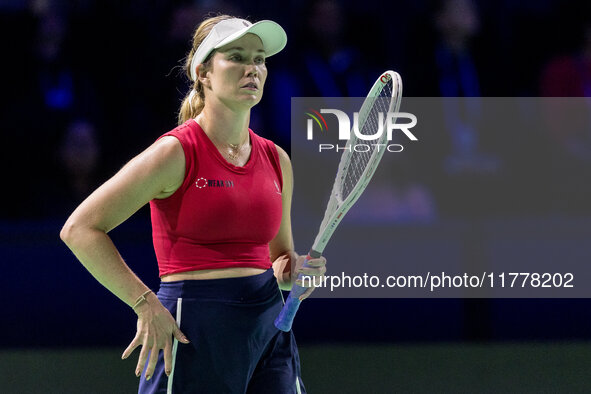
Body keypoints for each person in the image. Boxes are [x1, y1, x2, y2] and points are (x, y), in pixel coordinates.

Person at [60, 15, 326, 393]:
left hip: (269, 328)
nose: (252, 68)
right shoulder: (175, 152)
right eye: (236, 57)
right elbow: (80, 229)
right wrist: (144, 303)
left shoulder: (276, 159)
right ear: (203, 72)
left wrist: (296, 272)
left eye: (259, 59)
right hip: (194, 328)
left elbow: (280, 260)